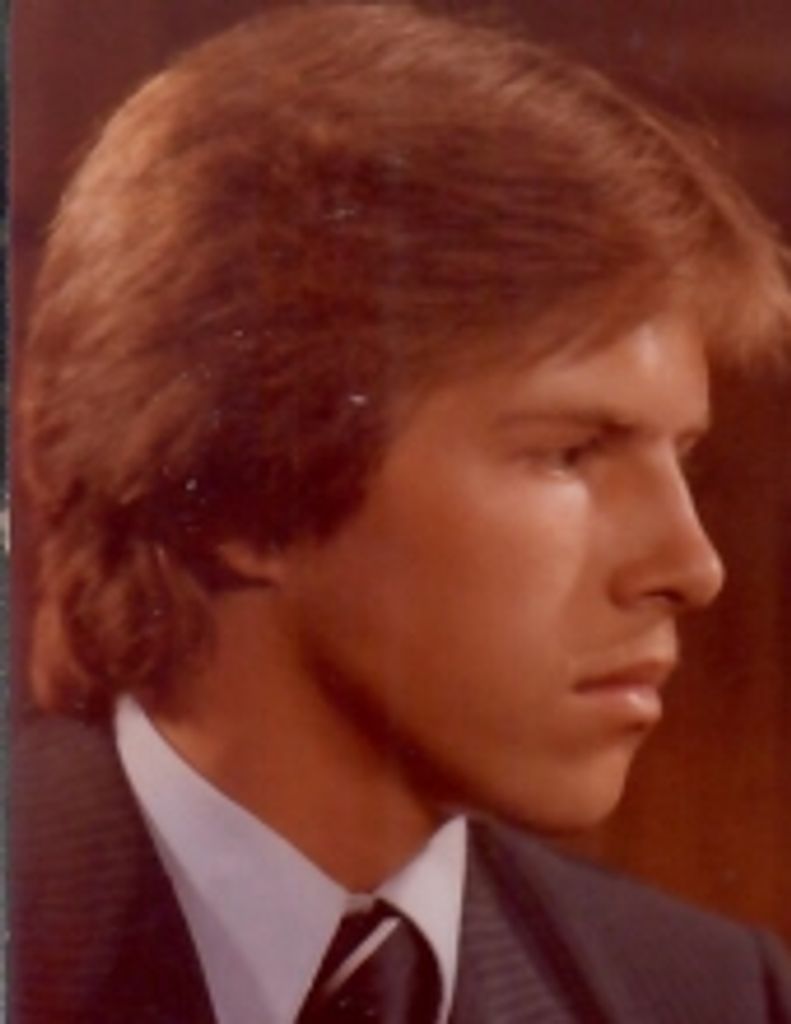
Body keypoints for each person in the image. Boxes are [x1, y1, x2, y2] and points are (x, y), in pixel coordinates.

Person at [12, 4, 791, 1022]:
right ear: (244, 488)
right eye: (569, 453)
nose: (691, 566)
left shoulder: (711, 998)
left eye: (679, 456)